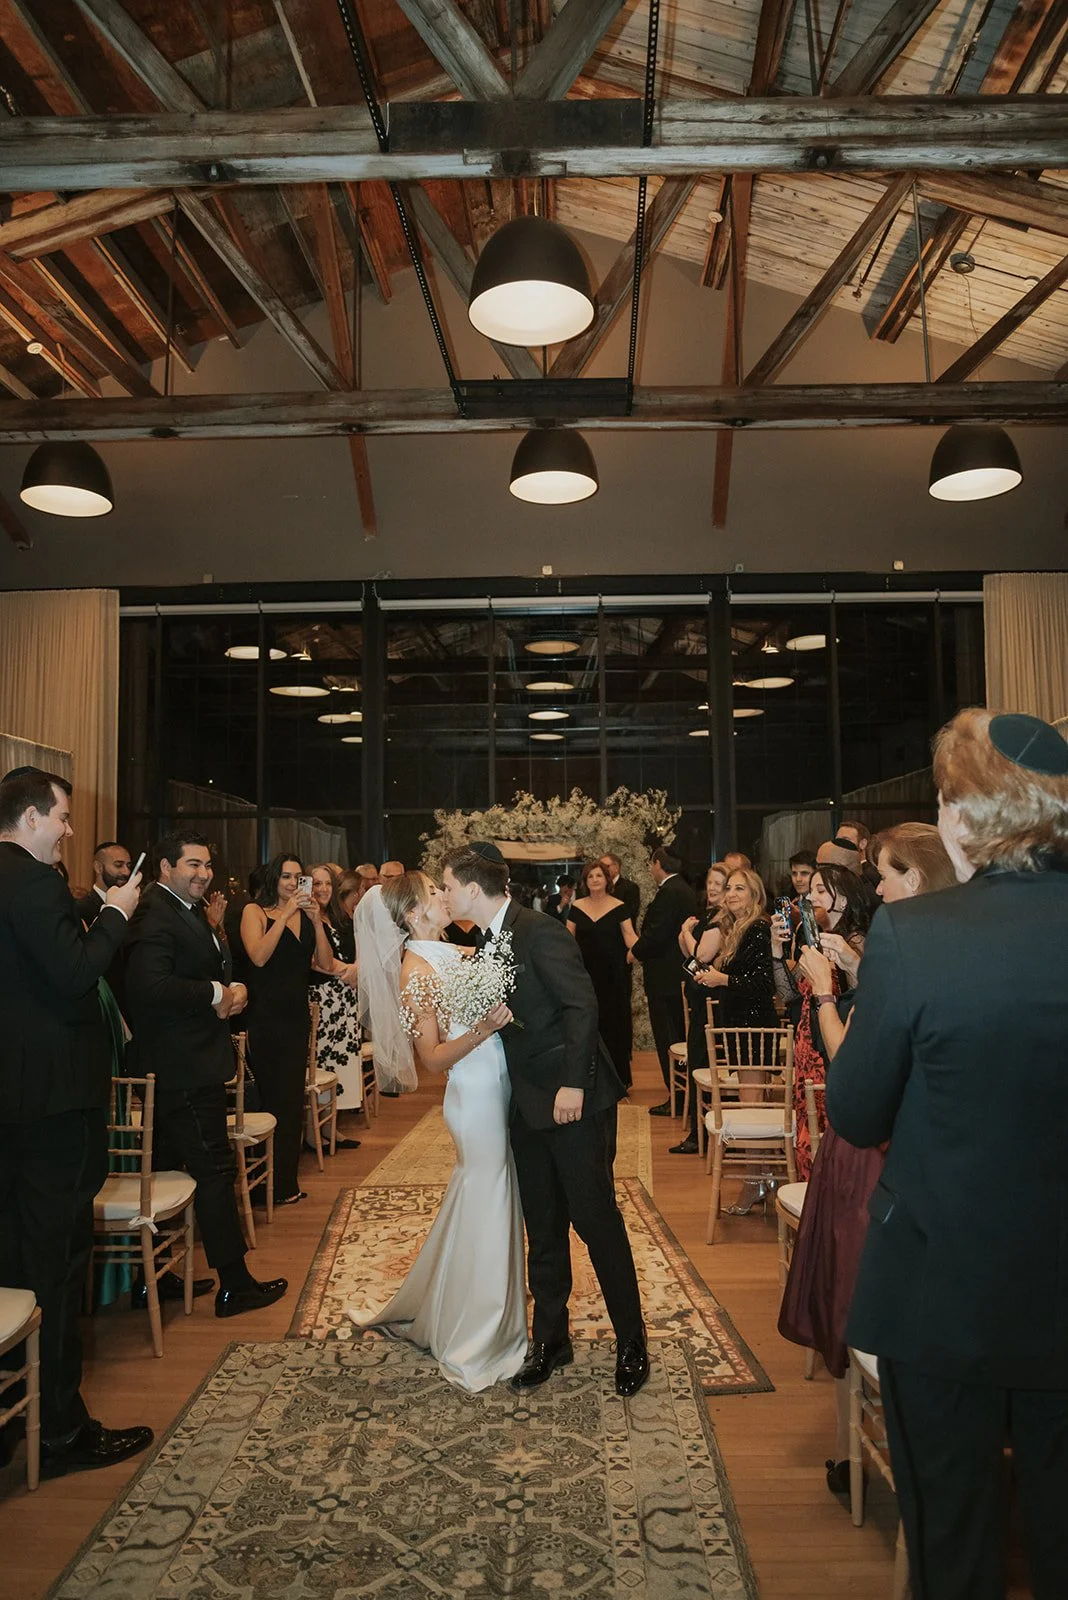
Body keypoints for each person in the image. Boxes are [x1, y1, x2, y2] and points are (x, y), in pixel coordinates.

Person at [826, 709, 1068, 1600]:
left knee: (955, 1550)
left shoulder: (916, 936)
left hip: (942, 1291)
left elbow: (857, 1114)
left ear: (961, 817)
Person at [777, 822, 956, 1497]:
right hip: (906, 1144)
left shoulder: (895, 949)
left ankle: (867, 1446)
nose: (875, 889)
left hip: (872, 1148)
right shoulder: (938, 946)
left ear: (918, 878)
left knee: (857, 1287)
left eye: (885, 876)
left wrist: (827, 989)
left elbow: (850, 1061)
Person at [442, 843, 649, 1398]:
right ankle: (551, 1340)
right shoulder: (486, 942)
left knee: (595, 1219)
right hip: (525, 1103)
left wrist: (573, 1084)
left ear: (472, 889)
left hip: (572, 1098)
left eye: (448, 886)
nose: (444, 895)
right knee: (544, 1224)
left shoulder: (540, 931)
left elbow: (582, 1005)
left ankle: (632, 1341)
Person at [0, 770, 153, 1478]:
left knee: (12, 1257)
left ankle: (16, 1416)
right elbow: (73, 974)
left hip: (14, 1101)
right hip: (54, 1104)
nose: (67, 829)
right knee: (57, 1265)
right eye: (61, 817)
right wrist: (116, 913)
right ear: (32, 817)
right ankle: (60, 1429)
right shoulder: (34, 882)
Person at [349, 874, 526, 1391]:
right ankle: (479, 1333)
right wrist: (485, 1028)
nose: (444, 897)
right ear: (413, 914)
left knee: (489, 1198)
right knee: (488, 1198)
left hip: (496, 1082)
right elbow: (431, 1058)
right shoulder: (416, 970)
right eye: (434, 893)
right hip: (473, 1095)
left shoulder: (449, 949)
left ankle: (479, 1308)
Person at [124, 832, 288, 1319]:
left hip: (189, 1060)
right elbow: (150, 987)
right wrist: (218, 993)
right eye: (192, 864)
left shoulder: (183, 909)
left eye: (207, 865)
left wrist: (231, 991)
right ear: (165, 867)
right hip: (181, 1067)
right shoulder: (154, 913)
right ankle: (234, 1285)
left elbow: (198, 971)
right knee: (215, 1172)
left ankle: (151, 1280)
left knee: (171, 1167)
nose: (203, 873)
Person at [240, 854, 337, 1205]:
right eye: (285, 876)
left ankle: (285, 1185)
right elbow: (258, 956)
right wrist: (284, 915)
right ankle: (259, 1187)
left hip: (296, 1016)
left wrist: (316, 921)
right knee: (268, 1099)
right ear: (273, 879)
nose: (292, 883)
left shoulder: (306, 917)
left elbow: (325, 963)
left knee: (291, 1102)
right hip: (265, 1017)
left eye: (297, 877)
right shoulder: (255, 912)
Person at [773, 862, 877, 1178]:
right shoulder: (819, 937)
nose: (810, 897)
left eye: (820, 890)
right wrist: (777, 949)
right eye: (810, 891)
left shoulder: (856, 942)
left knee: (829, 1140)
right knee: (810, 1134)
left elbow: (863, 997)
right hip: (809, 1043)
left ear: (843, 899)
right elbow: (788, 993)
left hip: (834, 1044)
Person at [685, 868, 779, 1185]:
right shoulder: (739, 928)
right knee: (750, 1104)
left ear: (755, 894)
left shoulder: (758, 928)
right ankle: (761, 1176)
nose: (731, 893)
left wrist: (721, 979)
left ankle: (756, 1181)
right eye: (729, 888)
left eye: (740, 888)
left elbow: (764, 984)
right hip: (741, 1025)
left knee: (751, 1107)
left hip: (754, 1027)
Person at [631, 846, 698, 1116]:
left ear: (658, 863)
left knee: (669, 1038)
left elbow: (657, 933)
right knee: (676, 1035)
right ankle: (681, 1095)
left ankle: (678, 1097)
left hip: (666, 979)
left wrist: (634, 951)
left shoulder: (670, 892)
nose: (650, 869)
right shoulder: (683, 889)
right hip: (675, 977)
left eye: (651, 864)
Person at [671, 863, 729, 1154]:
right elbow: (689, 957)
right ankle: (699, 1132)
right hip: (700, 1000)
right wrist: (686, 937)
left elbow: (700, 954)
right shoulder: (709, 916)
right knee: (697, 1062)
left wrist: (685, 931)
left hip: (712, 1005)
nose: (713, 887)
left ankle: (702, 1136)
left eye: (720, 883)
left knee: (702, 1064)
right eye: (711, 881)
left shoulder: (721, 920)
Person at [566, 859, 638, 1088]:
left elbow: (630, 937)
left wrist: (645, 949)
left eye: (599, 875)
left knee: (615, 1024)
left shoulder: (619, 906)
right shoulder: (577, 907)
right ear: (585, 881)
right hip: (585, 977)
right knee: (588, 1025)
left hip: (614, 976)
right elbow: (568, 940)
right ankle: (588, 1077)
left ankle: (618, 1079)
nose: (595, 880)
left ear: (607, 879)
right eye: (590, 876)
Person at [309, 863, 362, 1145]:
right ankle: (314, 1132)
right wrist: (347, 970)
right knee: (320, 1064)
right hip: (320, 999)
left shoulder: (340, 918)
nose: (323, 889)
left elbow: (360, 950)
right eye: (316, 883)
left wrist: (356, 968)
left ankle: (330, 1128)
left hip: (344, 1000)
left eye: (328, 883)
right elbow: (314, 960)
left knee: (338, 1066)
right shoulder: (304, 918)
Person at [74, 839, 132, 926]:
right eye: (118, 865)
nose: (126, 872)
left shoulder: (133, 905)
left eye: (129, 866)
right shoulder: (81, 909)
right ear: (98, 867)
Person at [599, 852, 641, 923]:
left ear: (616, 868)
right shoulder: (598, 887)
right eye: (600, 867)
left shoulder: (630, 887)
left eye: (606, 866)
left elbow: (630, 915)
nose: (602, 870)